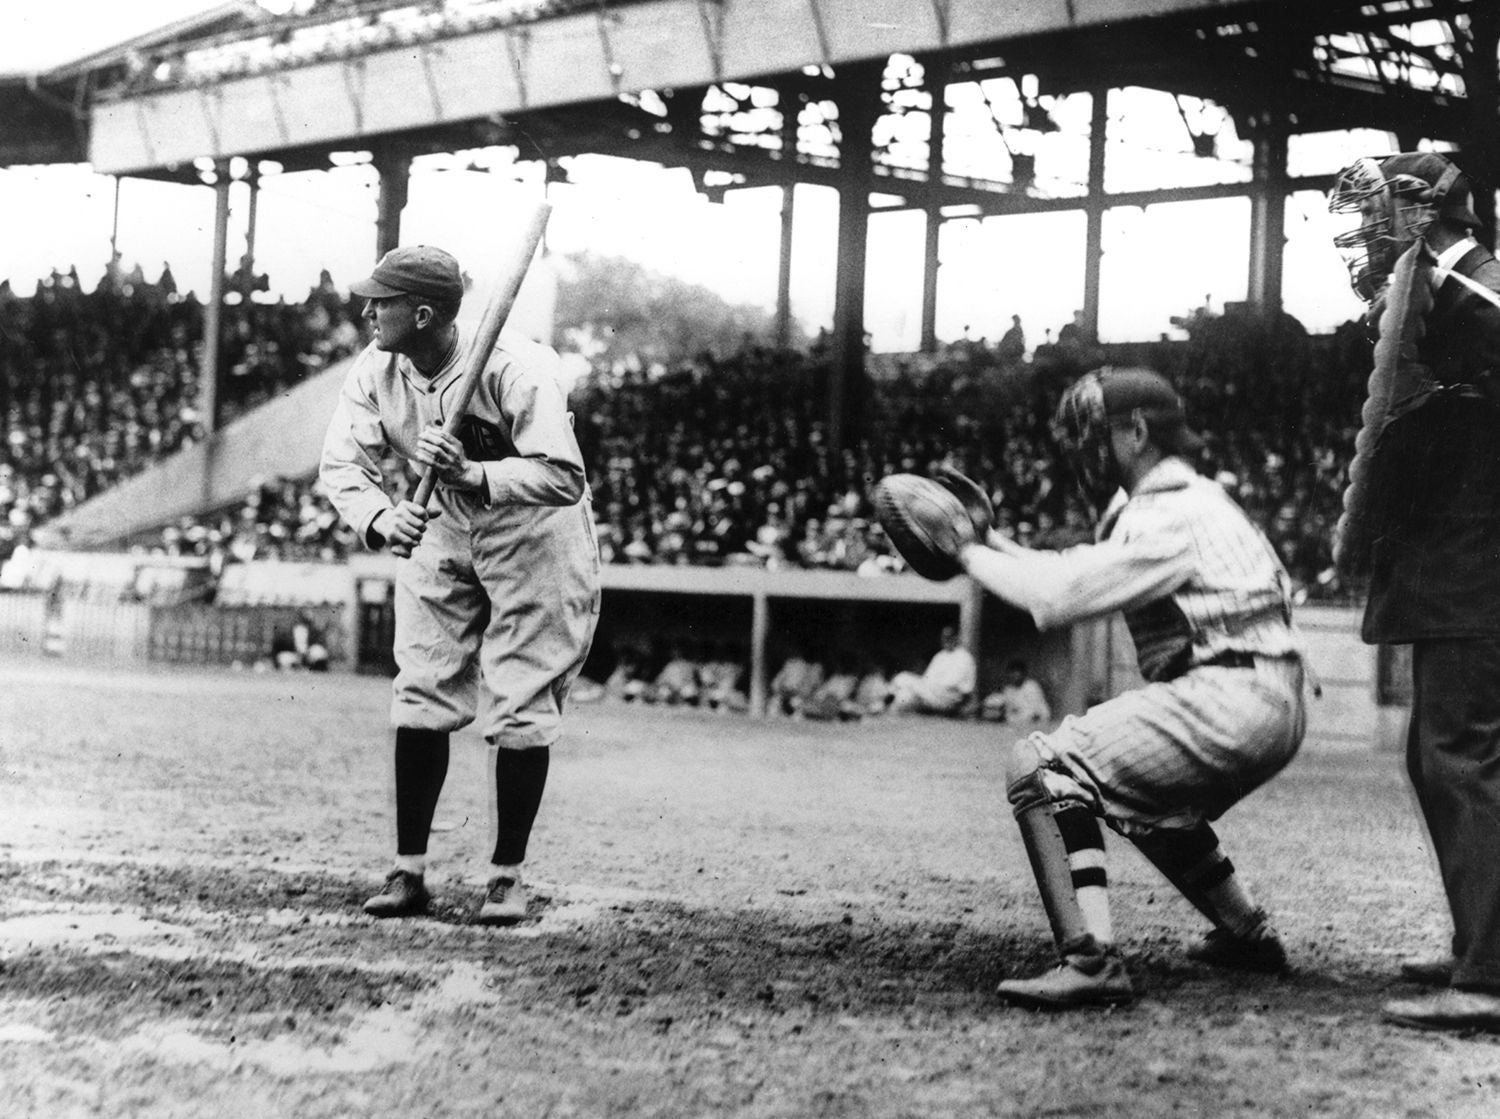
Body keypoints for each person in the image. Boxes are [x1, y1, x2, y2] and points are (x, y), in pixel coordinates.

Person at [947, 366, 1306, 1009]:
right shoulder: (1189, 500)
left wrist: (964, 554)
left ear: (1137, 431)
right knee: (1139, 792)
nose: (1083, 451)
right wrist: (990, 542)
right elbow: (1074, 570)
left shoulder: (1167, 512)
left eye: (1094, 435)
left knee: (1044, 765)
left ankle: (1090, 960)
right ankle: (1246, 932)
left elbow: (1058, 595)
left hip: (1231, 696)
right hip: (1260, 693)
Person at [320, 243, 600, 926]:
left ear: (421, 312)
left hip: (533, 531)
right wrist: (385, 519)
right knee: (420, 687)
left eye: (380, 301)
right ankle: (408, 871)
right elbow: (341, 464)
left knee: (522, 698)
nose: (367, 310)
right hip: (438, 525)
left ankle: (506, 877)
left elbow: (565, 477)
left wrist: (478, 472)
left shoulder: (517, 365)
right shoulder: (376, 370)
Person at [1327, 152, 1500, 1032]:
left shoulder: (1477, 290)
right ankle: (1481, 941)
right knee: (1438, 754)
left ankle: (1492, 970)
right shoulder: (1440, 290)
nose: (1366, 232)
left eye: (1382, 210)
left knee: (1459, 751)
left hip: (1481, 565)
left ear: (1428, 214)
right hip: (1456, 562)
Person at [889, 624, 976, 716]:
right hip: (933, 694)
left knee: (903, 677)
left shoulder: (964, 657)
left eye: (950, 637)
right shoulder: (940, 656)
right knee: (905, 694)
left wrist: (927, 686)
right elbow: (927, 678)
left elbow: (952, 684)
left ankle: (883, 701)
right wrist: (925, 687)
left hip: (951, 697)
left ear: (957, 638)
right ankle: (891, 711)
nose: (946, 640)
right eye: (944, 637)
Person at [981, 658, 1051, 725]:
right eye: (1010, 673)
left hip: (1038, 724)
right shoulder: (1009, 689)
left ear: (1023, 674)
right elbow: (996, 700)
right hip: (1016, 723)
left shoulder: (1031, 687)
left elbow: (1032, 714)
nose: (1013, 676)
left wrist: (1006, 717)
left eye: (1016, 673)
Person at [768, 644, 825, 717]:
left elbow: (807, 687)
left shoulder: (807, 667)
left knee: (796, 704)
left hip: (798, 696)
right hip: (786, 694)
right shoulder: (789, 664)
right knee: (775, 704)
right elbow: (776, 683)